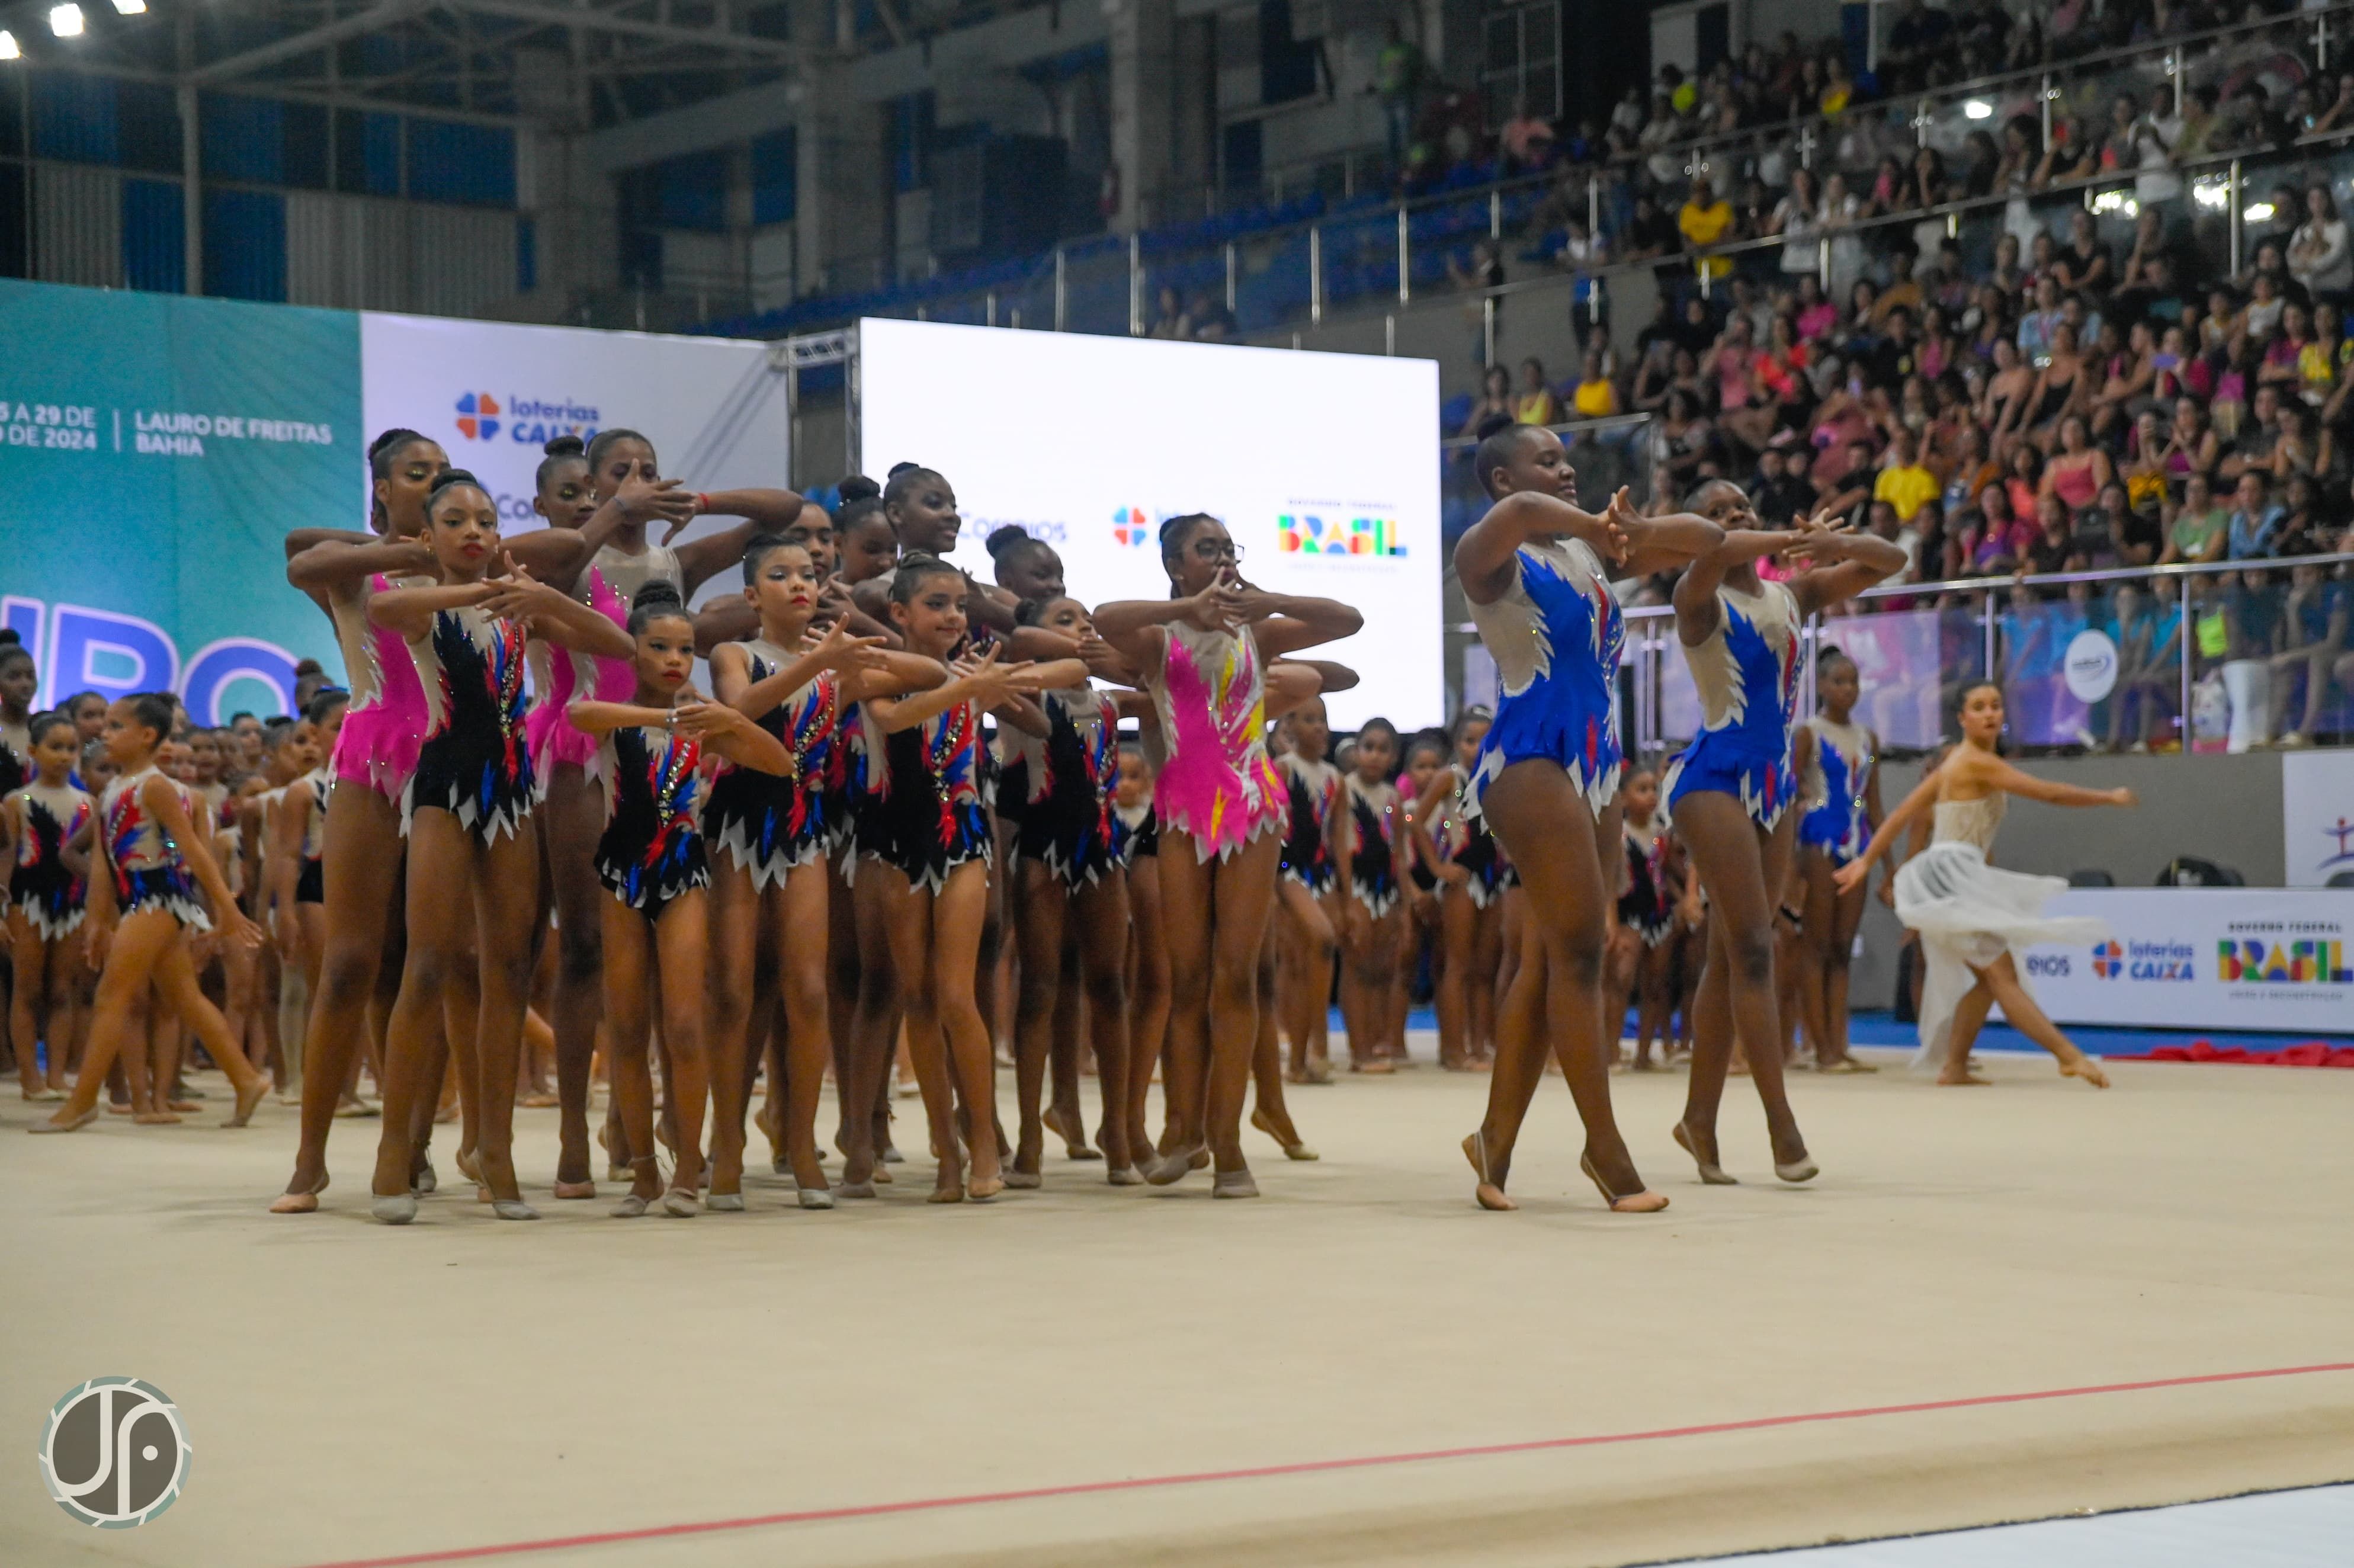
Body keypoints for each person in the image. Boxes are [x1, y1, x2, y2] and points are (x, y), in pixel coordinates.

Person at [1452, 423, 1720, 1213]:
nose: (1565, 471)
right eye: (1547, 460)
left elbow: (1708, 539)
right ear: (1502, 479)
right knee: (1577, 955)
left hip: (1596, 762)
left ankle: (1492, 1140)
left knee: (1556, 957)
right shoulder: (1489, 552)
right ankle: (1604, 1151)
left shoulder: (1582, 552)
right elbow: (1524, 512)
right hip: (1530, 756)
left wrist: (1629, 530)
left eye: (1567, 459)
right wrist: (1593, 523)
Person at [362, 470, 635, 1223]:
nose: (475, 531)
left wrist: (546, 601)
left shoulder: (521, 608)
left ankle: (498, 1153)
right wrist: (472, 593)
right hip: (443, 786)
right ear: (428, 538)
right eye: (456, 520)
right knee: (429, 961)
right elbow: (382, 605)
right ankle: (394, 1154)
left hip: (514, 790)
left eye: (486, 519)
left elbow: (620, 646)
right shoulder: (424, 604)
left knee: (510, 968)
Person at [1095, 515, 1361, 1197]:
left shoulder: (1258, 634)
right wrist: (1187, 608)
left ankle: (1229, 1141)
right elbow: (1104, 616)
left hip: (1252, 802)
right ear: (1174, 565)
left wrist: (1269, 598)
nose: (1220, 559)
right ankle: (1183, 1127)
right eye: (1204, 549)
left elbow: (1347, 620)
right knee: (1187, 979)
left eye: (1227, 548)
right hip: (1183, 805)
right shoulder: (1158, 641)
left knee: (1234, 976)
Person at [1662, 493, 1904, 1187]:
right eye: (1716, 508)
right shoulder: (1695, 592)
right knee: (1755, 950)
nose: (1731, 512)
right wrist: (1770, 535)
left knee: (1728, 952)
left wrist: (1838, 546)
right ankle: (1780, 1126)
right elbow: (1714, 550)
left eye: (1740, 504)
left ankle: (1697, 1121)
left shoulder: (1789, 596)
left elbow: (1893, 561)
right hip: (1713, 774)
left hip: (1772, 787)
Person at [837, 555, 1078, 1203]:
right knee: (915, 996)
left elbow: (1075, 670)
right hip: (893, 841)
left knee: (954, 993)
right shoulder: (878, 669)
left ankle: (979, 1145)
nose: (951, 616)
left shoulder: (978, 666)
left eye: (959, 606)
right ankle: (943, 1150)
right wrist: (968, 689)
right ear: (899, 614)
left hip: (962, 835)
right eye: (936, 604)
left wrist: (1000, 682)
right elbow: (889, 720)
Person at [565, 581, 796, 1217]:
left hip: (682, 870)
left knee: (687, 1024)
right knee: (630, 1028)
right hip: (620, 871)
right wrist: (665, 717)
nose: (673, 660)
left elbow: (780, 764)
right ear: (633, 653)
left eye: (684, 650)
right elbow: (579, 717)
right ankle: (644, 1173)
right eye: (658, 647)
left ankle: (689, 1167)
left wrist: (729, 721)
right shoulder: (620, 714)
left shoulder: (703, 724)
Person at [701, 536, 904, 1210]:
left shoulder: (836, 664)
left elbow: (925, 676)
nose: (800, 584)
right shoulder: (733, 652)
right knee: (732, 987)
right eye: (780, 575)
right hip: (737, 824)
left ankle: (801, 1143)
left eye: (810, 575)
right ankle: (724, 1147)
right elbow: (739, 710)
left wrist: (857, 649)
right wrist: (818, 663)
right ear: (752, 596)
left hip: (805, 825)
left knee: (809, 988)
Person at [1836, 682, 2135, 1086]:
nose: (1990, 713)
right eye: (1978, 707)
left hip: (1959, 872)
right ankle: (2068, 1055)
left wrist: (1866, 860)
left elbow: (1903, 811)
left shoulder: (1960, 761)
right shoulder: (1974, 762)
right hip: (1949, 874)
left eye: (1995, 705)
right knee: (2000, 973)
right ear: (1963, 719)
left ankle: (1956, 1065)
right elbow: (2049, 793)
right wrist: (2108, 797)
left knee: (1991, 977)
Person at [33, 694, 270, 1133]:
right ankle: (247, 1078)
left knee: (110, 995)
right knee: (185, 998)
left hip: (160, 896)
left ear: (146, 736)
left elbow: (194, 849)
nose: (105, 733)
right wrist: (97, 921)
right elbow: (104, 863)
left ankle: (82, 1101)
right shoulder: (109, 792)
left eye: (116, 726)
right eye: (105, 725)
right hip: (137, 898)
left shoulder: (155, 786)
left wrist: (226, 910)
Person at [997, 592, 1147, 1184]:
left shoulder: (1107, 702)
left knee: (1109, 985)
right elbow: (1024, 647)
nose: (1082, 629)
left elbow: (1138, 675)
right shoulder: (1025, 688)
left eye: (1087, 621)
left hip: (1102, 851)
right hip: (1041, 847)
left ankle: (1117, 1132)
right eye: (1066, 620)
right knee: (1038, 987)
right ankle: (1031, 1134)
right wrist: (1083, 649)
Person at [1792, 650, 1882, 1073]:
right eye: (1840, 682)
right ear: (1823, 686)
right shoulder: (1808, 733)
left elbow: (1866, 795)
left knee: (1843, 948)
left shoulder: (1869, 739)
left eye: (1854, 681)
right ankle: (1821, 1046)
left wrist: (1889, 863)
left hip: (1856, 842)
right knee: (1817, 944)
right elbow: (1792, 791)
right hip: (1818, 840)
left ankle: (1840, 1044)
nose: (1848, 689)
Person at [1413, 707, 1506, 1073]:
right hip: (1461, 876)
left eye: (1485, 740)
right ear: (1456, 745)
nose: (1477, 747)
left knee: (1485, 967)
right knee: (1458, 964)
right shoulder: (1450, 778)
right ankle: (1452, 1049)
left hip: (1493, 877)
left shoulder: (1498, 777)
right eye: (1470, 740)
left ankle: (1480, 1045)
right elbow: (1416, 821)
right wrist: (1437, 866)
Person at [5, 713, 91, 1101]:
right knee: (27, 988)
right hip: (27, 901)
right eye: (56, 747)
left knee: (61, 989)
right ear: (34, 751)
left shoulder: (88, 804)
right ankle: (30, 1078)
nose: (65, 756)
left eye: (71, 748)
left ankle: (56, 1075)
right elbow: (7, 856)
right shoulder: (16, 802)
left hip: (72, 902)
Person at [1273, 695, 1349, 1084]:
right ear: (1289, 728)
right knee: (1304, 952)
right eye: (1308, 719)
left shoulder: (1336, 779)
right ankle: (1299, 1052)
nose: (1319, 727)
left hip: (1322, 875)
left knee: (1316, 958)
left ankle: (1309, 1050)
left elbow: (1338, 840)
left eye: (1322, 719)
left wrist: (1347, 895)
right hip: (1286, 870)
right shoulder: (1283, 770)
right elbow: (1272, 827)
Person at [1337, 717, 1408, 1073]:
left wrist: (1404, 903)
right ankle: (1358, 1049)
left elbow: (1400, 850)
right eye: (1368, 747)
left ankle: (1379, 1041)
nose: (1374, 756)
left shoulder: (1394, 797)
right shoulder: (1343, 789)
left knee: (1382, 967)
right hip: (1357, 886)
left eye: (1383, 750)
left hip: (1386, 888)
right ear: (1356, 749)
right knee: (1357, 965)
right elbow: (1337, 847)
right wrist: (1347, 897)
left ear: (1394, 757)